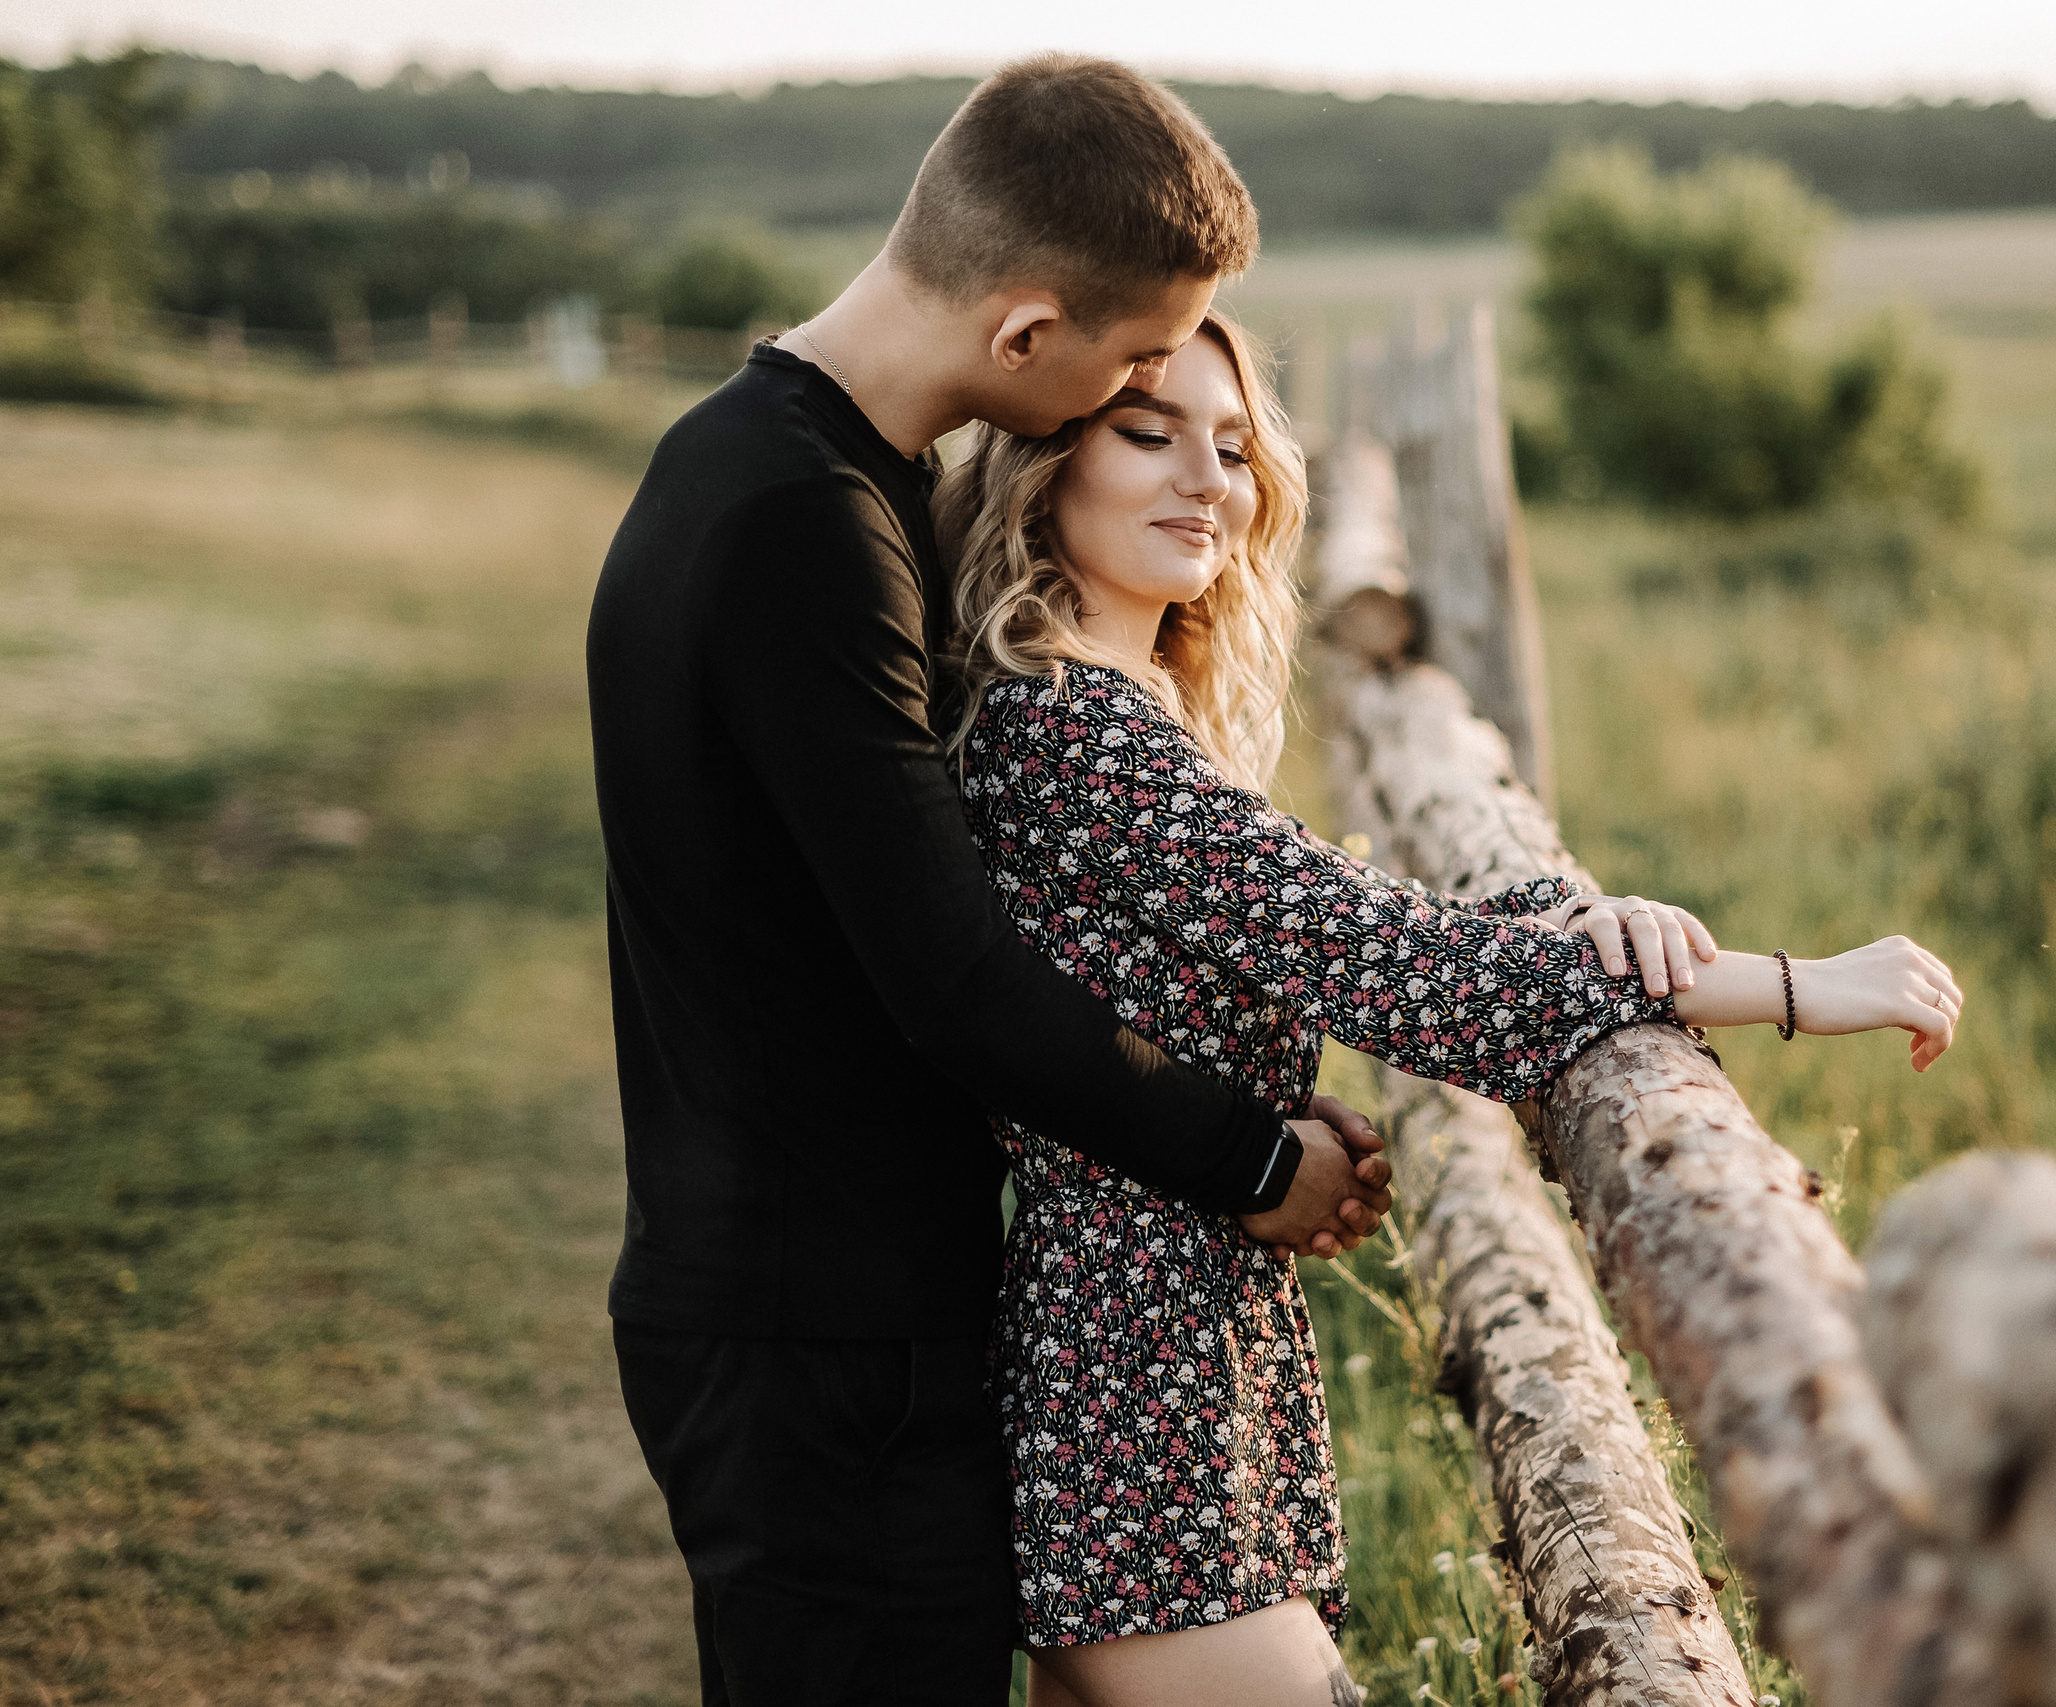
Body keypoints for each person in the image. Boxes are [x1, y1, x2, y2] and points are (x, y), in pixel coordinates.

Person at [937, 309, 1964, 1707]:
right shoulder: (1073, 731)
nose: (1206, 480)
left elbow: (1351, 929)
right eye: (1146, 431)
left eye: (1233, 446)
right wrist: (1793, 986)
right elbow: (1399, 971)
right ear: (1043, 459)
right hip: (1138, 1406)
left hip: (1173, 1366)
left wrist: (1567, 917)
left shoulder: (1119, 707)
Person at [586, 56, 1412, 1707]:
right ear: (1028, 335)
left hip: (846, 1317)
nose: (1152, 390)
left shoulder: (802, 473)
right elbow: (950, 974)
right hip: (817, 1339)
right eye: (1128, 365)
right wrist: (1251, 1154)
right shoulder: (799, 526)